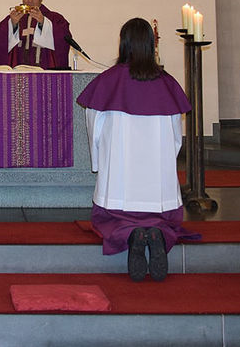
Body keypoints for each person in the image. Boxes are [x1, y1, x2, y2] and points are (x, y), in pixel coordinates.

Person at [77, 17, 200, 282]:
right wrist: (166, 159)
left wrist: (99, 160)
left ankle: (132, 234)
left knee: (110, 218)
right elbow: (174, 134)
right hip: (157, 192)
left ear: (124, 44)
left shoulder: (109, 80)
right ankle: (156, 231)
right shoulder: (166, 82)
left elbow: (94, 124)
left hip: (119, 185)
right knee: (161, 215)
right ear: (150, 44)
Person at [0, 0, 71, 69]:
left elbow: (63, 40)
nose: (30, 0)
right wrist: (13, 25)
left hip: (44, 72)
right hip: (18, 72)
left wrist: (43, 23)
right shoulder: (13, 18)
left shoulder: (55, 19)